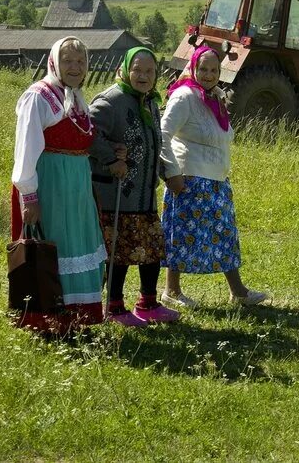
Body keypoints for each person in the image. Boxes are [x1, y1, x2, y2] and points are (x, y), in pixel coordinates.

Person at [160, 45, 268, 308]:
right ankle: (171, 291)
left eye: (213, 69)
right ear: (193, 68)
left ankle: (238, 292)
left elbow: (223, 136)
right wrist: (172, 173)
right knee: (182, 235)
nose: (208, 74)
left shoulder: (215, 96)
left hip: (217, 181)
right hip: (189, 180)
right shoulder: (184, 96)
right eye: (203, 69)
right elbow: (162, 134)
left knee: (225, 235)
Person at [11, 36, 107, 334]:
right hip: (50, 186)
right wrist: (29, 197)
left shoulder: (76, 96)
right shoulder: (39, 96)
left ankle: (77, 318)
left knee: (75, 243)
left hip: (76, 187)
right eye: (68, 60)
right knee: (53, 246)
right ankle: (48, 318)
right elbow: (26, 148)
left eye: (81, 61)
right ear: (54, 62)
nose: (75, 67)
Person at [89, 46, 179, 326]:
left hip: (144, 195)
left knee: (151, 249)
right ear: (125, 70)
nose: (143, 75)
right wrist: (109, 157)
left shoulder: (150, 101)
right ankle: (115, 308)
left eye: (149, 71)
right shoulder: (110, 101)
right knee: (120, 253)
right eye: (137, 70)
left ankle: (148, 304)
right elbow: (87, 132)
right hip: (118, 194)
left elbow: (156, 143)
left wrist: (167, 172)